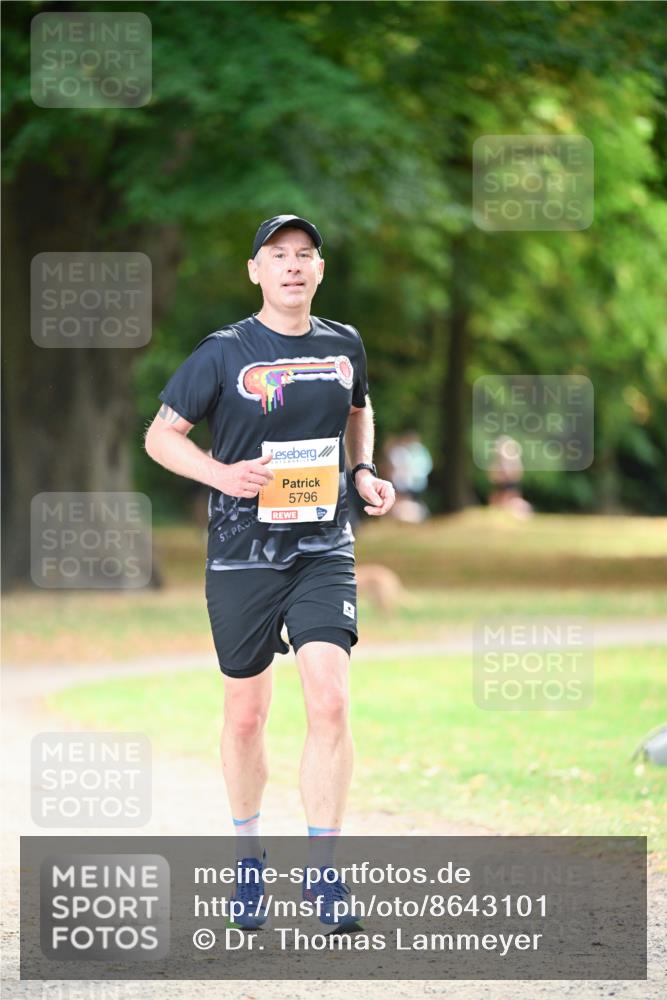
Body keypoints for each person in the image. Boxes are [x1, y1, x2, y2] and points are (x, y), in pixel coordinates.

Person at [144, 214, 395, 932]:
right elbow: (161, 435)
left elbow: (359, 408)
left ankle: (323, 874)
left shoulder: (343, 343)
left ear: (320, 271)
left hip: (323, 547)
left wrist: (363, 470)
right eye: (277, 256)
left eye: (305, 256)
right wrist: (221, 474)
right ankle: (249, 859)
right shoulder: (222, 352)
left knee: (330, 703)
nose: (292, 266)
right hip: (240, 555)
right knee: (246, 714)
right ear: (255, 271)